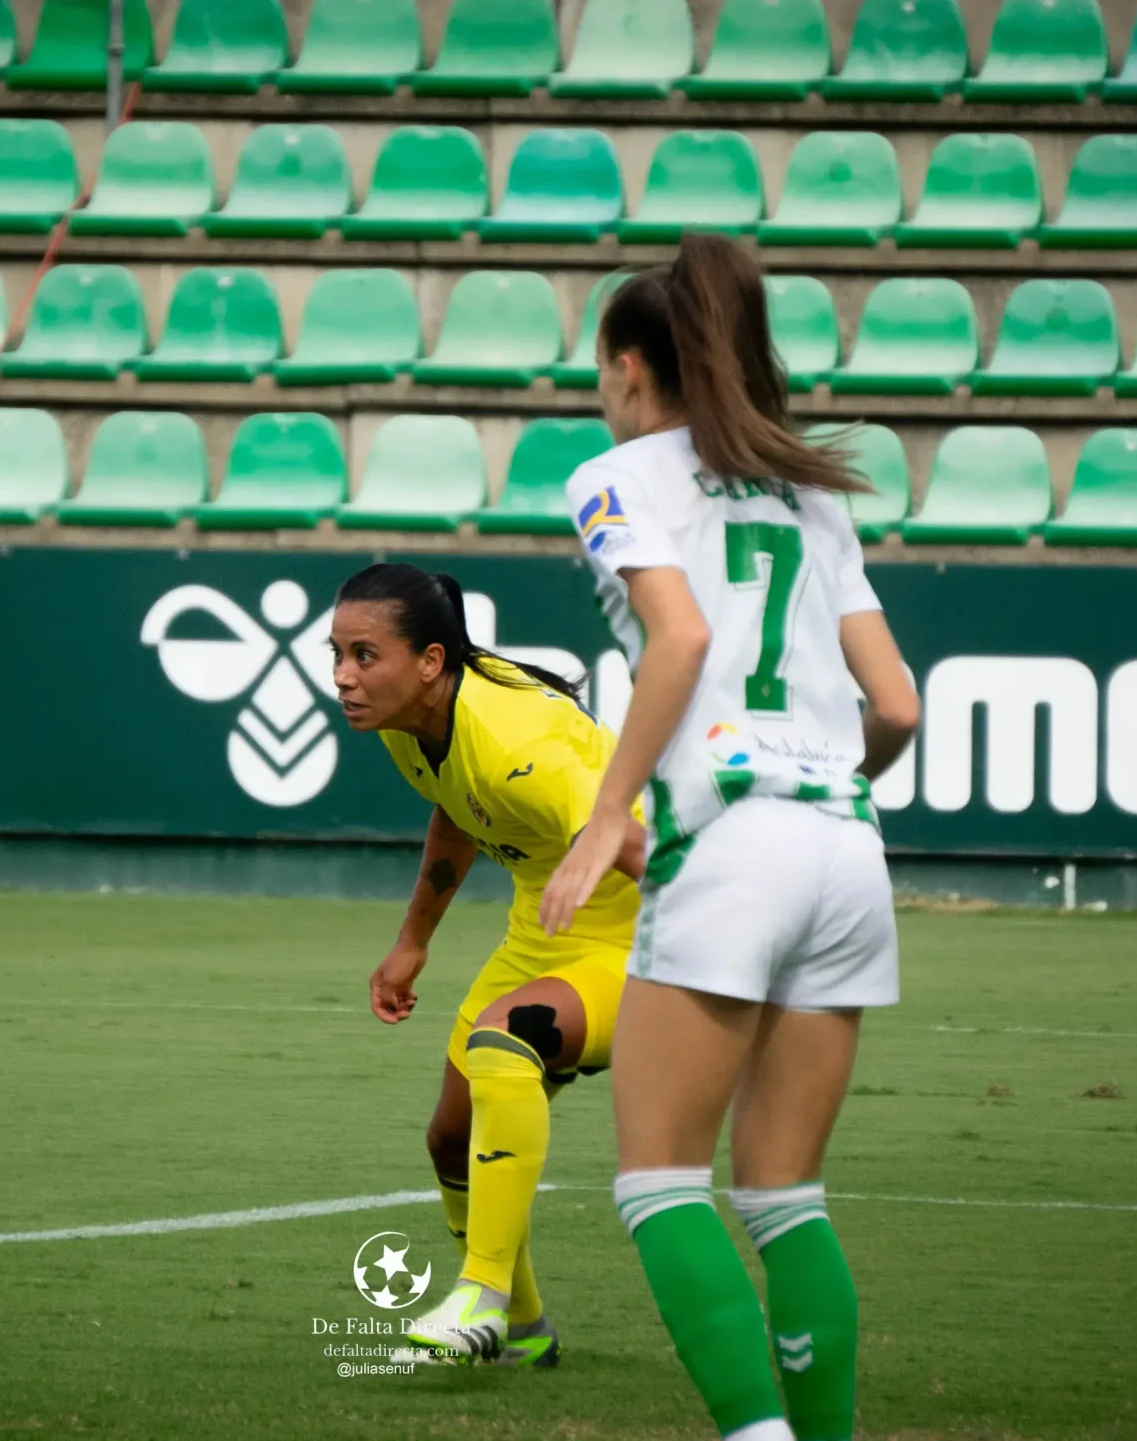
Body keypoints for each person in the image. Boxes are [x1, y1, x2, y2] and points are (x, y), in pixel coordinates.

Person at [536, 235, 922, 1441]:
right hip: (845, 842)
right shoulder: (809, 489)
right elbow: (897, 706)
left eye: (601, 372)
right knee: (783, 1192)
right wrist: (822, 790)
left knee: (659, 1178)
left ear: (628, 366)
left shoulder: (613, 477)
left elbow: (683, 639)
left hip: (732, 836)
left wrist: (609, 813)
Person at [329, 562, 646, 1367]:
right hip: (544, 930)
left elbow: (636, 842)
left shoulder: (518, 741)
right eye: (336, 653)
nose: (343, 677)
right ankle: (525, 1328)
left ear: (430, 661)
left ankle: (481, 1293)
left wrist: (730, 959)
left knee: (507, 1038)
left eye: (364, 655)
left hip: (642, 941)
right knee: (451, 1137)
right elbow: (458, 807)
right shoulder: (410, 723)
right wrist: (413, 941)